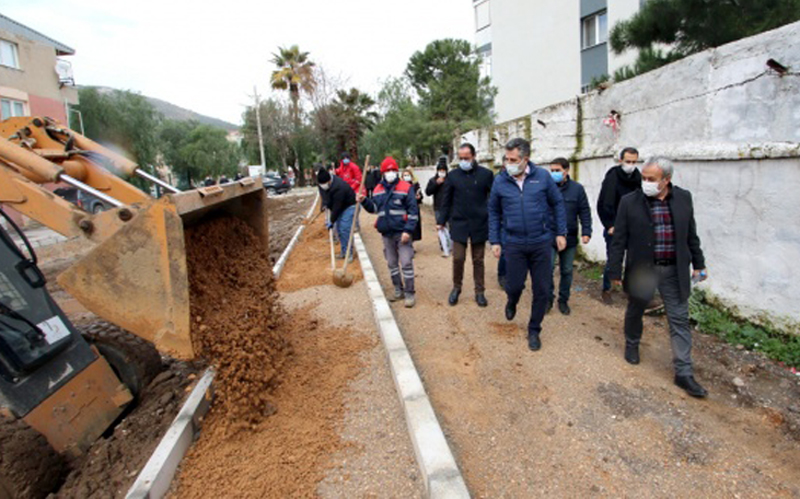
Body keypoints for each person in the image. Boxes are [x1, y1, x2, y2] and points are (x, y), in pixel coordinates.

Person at [609, 157, 708, 398]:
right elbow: (619, 239)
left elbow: (690, 235)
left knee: (679, 319)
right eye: (643, 178)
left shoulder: (684, 199)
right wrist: (614, 270)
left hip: (674, 271)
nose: (645, 183)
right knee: (636, 309)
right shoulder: (630, 202)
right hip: (644, 269)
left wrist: (699, 263)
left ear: (666, 180)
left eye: (651, 179)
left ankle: (683, 373)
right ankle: (632, 344)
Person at [488, 138, 567, 351]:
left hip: (541, 242)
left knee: (542, 289)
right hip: (513, 243)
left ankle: (534, 330)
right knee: (513, 285)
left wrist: (561, 232)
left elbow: (557, 203)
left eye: (513, 159)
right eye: (506, 158)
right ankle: (512, 301)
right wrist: (495, 240)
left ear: (526, 159)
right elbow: (494, 211)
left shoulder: (542, 177)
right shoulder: (500, 180)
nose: (508, 163)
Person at [437, 143, 494, 307]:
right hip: (459, 223)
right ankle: (456, 288)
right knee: (458, 258)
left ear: (473, 157)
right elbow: (446, 200)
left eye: (466, 158)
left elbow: (493, 199)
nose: (463, 161)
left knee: (478, 259)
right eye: (461, 158)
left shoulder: (486, 175)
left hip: (479, 223)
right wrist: (441, 221)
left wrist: (491, 217)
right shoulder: (453, 176)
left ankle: (480, 292)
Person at [358, 157, 419, 308]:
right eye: (388, 170)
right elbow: (375, 209)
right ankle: (398, 290)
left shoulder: (406, 187)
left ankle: (410, 293)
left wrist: (408, 230)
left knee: (406, 263)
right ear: (383, 172)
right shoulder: (378, 190)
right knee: (392, 263)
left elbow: (413, 212)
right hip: (386, 233)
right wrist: (364, 200)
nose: (391, 173)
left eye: (393, 170)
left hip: (402, 232)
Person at [548, 158, 592, 315]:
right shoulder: (546, 188)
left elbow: (584, 211)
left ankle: (563, 300)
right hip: (549, 236)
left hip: (570, 237)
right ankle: (548, 298)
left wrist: (587, 232)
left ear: (566, 170)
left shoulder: (577, 189)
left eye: (557, 170)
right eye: (551, 170)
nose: (554, 174)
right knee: (548, 269)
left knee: (566, 270)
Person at [597, 147, 641, 304]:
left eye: (634, 162)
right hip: (614, 226)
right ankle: (607, 289)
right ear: (621, 160)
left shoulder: (638, 178)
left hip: (633, 226)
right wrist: (609, 224)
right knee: (613, 258)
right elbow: (602, 203)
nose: (630, 164)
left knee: (633, 260)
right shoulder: (612, 177)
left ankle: (631, 290)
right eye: (628, 161)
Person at [317, 167, 357, 261]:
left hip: (348, 206)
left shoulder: (339, 187)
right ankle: (344, 252)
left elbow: (337, 207)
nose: (322, 186)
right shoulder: (322, 183)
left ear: (329, 181)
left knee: (344, 229)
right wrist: (324, 205)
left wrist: (331, 220)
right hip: (338, 206)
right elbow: (324, 195)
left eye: (324, 184)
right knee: (339, 230)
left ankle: (349, 254)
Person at [426, 157, 452, 257]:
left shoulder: (450, 180)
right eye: (440, 170)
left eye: (443, 170)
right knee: (440, 227)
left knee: (449, 227)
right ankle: (443, 245)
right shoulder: (433, 180)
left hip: (450, 207)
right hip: (438, 207)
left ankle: (450, 244)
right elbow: (428, 192)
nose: (442, 172)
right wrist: (436, 184)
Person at [402, 167, 424, 243]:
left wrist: (419, 197)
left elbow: (421, 196)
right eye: (404, 175)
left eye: (407, 175)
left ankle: (411, 242)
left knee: (414, 227)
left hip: (414, 209)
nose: (406, 177)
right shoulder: (400, 186)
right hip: (404, 210)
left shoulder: (415, 185)